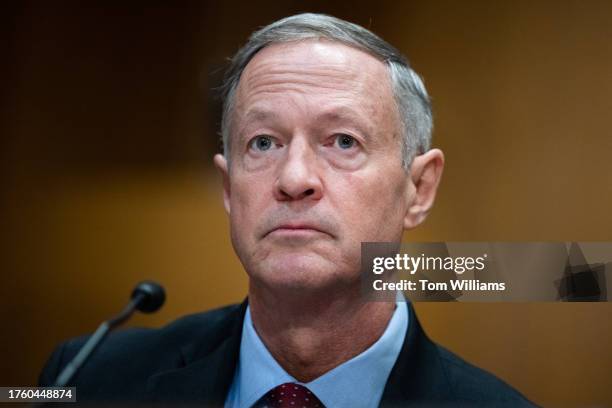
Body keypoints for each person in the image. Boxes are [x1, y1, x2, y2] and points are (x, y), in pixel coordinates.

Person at [40, 13, 534, 407]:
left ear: (419, 189)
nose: (294, 179)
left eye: (343, 141)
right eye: (263, 142)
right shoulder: (83, 378)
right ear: (229, 187)